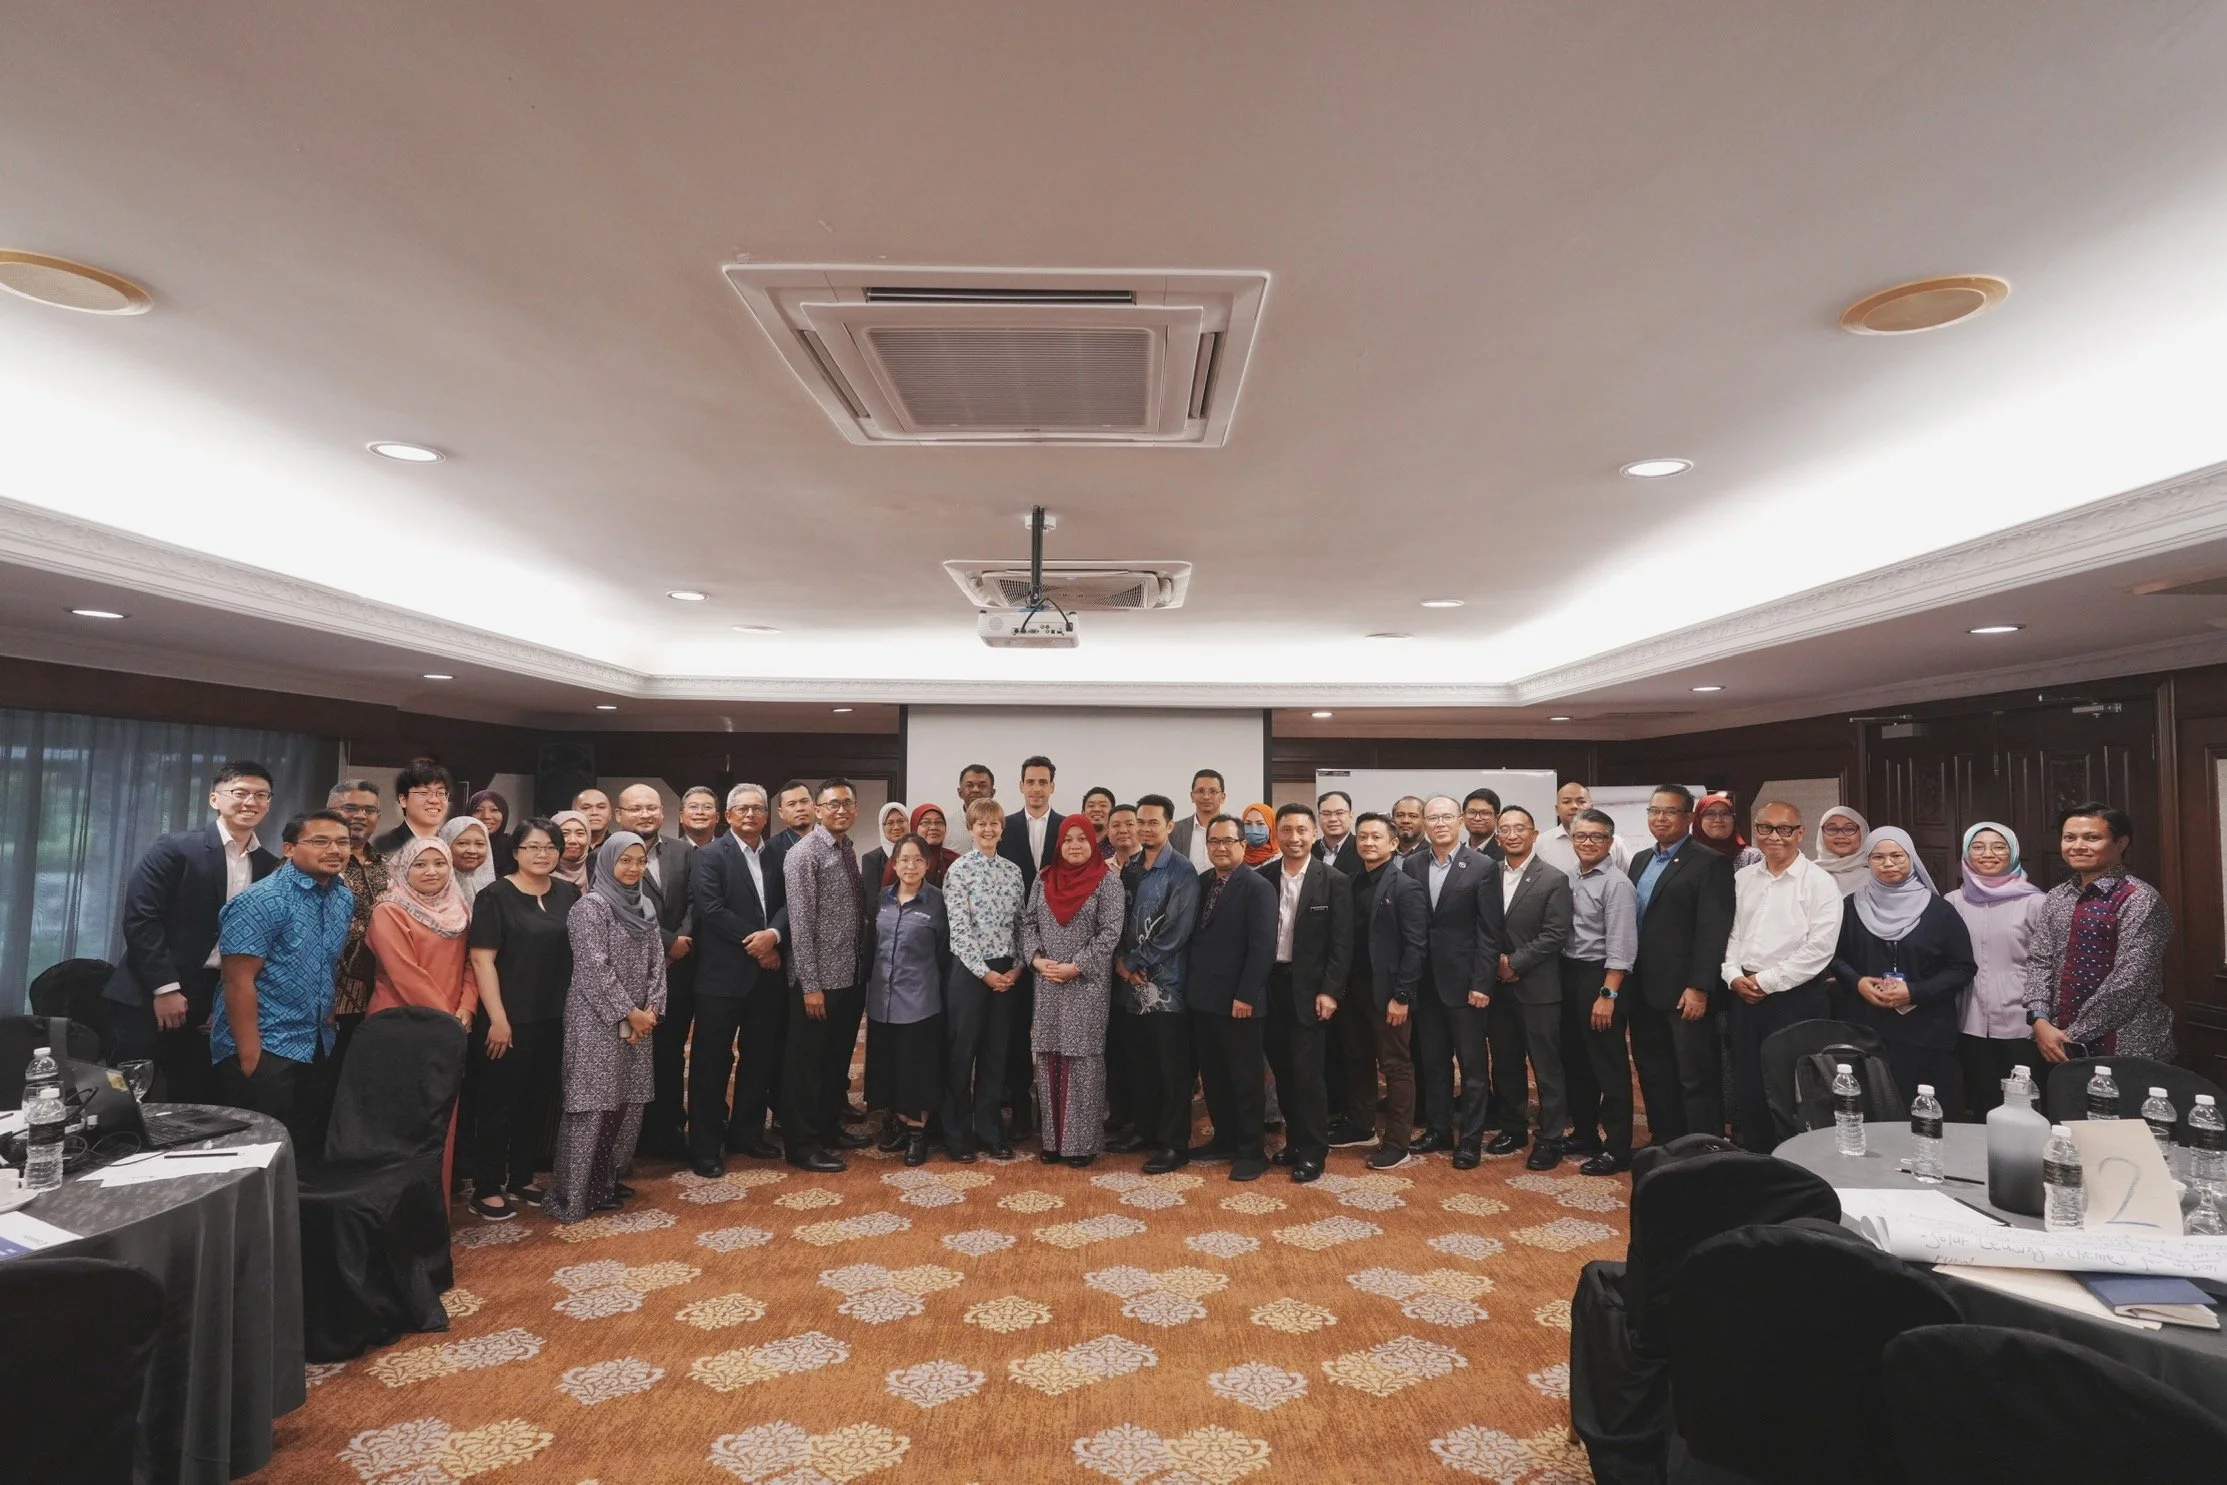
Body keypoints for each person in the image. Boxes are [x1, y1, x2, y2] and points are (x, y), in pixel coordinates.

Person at [105, 760, 281, 1104]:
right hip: (148, 991)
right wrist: (165, 989)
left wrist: (226, 1000)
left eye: (261, 795)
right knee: (127, 1097)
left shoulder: (268, 865)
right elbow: (142, 918)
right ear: (215, 799)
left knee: (194, 1099)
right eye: (240, 793)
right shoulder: (176, 848)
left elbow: (257, 940)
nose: (251, 802)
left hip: (211, 994)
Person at [210, 810, 355, 1156]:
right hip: (266, 1044)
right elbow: (236, 981)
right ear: (289, 848)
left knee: (303, 1148)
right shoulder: (261, 900)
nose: (333, 849)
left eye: (342, 842)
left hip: (316, 1041)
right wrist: (250, 1057)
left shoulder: (342, 897)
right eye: (320, 841)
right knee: (257, 1153)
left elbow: (325, 963)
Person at [545, 833, 666, 1223]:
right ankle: (574, 1194)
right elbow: (593, 970)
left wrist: (651, 1009)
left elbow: (657, 965)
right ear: (607, 862)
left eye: (640, 861)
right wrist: (628, 1013)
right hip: (596, 1019)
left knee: (627, 1103)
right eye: (624, 861)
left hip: (639, 1022)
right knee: (592, 1104)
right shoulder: (590, 909)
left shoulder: (645, 906)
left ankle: (607, 1180)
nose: (633, 869)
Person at [466, 817, 579, 1219]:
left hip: (554, 1016)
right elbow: (482, 960)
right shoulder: (495, 895)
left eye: (550, 847)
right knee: (499, 1102)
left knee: (537, 1099)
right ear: (515, 852)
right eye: (532, 847)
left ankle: (522, 1177)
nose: (542, 854)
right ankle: (486, 1185)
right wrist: (497, 1018)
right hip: (508, 1018)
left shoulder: (569, 892)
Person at [1719, 802, 1842, 1150]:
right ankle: (1756, 1154)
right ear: (1755, 831)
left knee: (1793, 1084)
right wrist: (1732, 975)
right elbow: (1733, 934)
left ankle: (1795, 1161)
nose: (1774, 837)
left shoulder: (1819, 882)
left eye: (1784, 829)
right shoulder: (1743, 878)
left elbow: (1820, 949)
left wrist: (1766, 981)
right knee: (1750, 1082)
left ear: (1800, 833)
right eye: (1765, 828)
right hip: (1744, 993)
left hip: (1795, 999)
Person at [366, 836, 479, 1196]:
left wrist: (468, 1006)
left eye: (440, 863)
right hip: (400, 1026)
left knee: (440, 1121)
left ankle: (433, 1216)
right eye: (420, 864)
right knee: (400, 1123)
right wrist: (448, 1019)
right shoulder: (389, 910)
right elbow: (404, 972)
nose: (431, 872)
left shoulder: (459, 908)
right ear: (404, 868)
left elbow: (472, 965)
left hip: (450, 1028)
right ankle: (392, 1222)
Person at [1835, 826, 1977, 1107]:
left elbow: (1962, 967)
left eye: (1897, 856)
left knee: (1926, 1116)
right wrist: (1857, 982)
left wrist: (1914, 992)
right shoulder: (1850, 908)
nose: (1889, 864)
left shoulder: (1939, 911)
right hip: (1867, 1030)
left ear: (1911, 858)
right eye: (1878, 857)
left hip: (1927, 1032)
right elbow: (1835, 958)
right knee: (1875, 1113)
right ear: (1867, 861)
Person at [687, 784, 789, 1172]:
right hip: (721, 976)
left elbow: (785, 904)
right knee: (711, 1062)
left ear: (767, 815)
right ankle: (705, 1146)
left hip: (767, 975)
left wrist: (774, 936)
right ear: (727, 816)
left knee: (759, 1057)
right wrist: (759, 944)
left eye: (757, 809)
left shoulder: (778, 855)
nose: (750, 815)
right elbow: (711, 909)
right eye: (741, 809)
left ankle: (747, 1133)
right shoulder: (711, 855)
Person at [1625, 785, 1735, 1143]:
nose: (1659, 818)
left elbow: (1712, 930)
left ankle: (1703, 1146)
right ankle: (1664, 1141)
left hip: (1685, 990)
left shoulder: (1709, 862)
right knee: (1653, 1070)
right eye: (1654, 811)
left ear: (1688, 818)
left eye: (1669, 811)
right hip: (1643, 987)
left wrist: (1700, 986)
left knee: (1694, 1075)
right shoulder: (1640, 859)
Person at [2024, 803, 2175, 1065]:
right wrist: (2038, 1019)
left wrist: (2070, 1035)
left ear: (2121, 843)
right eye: (2069, 838)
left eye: (2092, 838)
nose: (2078, 846)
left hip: (2126, 1042)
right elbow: (2039, 960)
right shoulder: (2058, 896)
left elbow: (2130, 981)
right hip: (2055, 1041)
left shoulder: (2140, 899)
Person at [1021, 817, 1126, 1166]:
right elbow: (1029, 922)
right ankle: (1052, 1141)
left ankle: (1080, 1144)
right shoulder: (1044, 878)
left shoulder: (1106, 884)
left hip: (1086, 985)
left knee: (1082, 1060)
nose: (1076, 845)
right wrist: (1036, 960)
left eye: (1083, 839)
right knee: (1049, 1057)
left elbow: (1109, 934)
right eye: (1069, 840)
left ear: (1094, 844)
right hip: (1048, 981)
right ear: (1059, 844)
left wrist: (1076, 966)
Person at [1402, 795, 1501, 1167]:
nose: (1439, 823)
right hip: (1425, 984)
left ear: (1459, 820)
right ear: (1424, 823)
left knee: (1473, 1067)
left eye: (1446, 816)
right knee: (1434, 1062)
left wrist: (1482, 982)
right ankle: (1438, 1129)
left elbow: (1490, 931)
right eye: (1433, 817)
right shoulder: (1411, 865)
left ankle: (1470, 1139)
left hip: (1466, 984)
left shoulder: (1483, 866)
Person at [779, 778, 873, 1172]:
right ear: (818, 810)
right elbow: (800, 924)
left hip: (848, 976)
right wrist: (811, 985)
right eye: (832, 804)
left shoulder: (847, 849)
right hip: (816, 983)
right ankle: (801, 1145)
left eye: (847, 804)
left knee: (835, 1063)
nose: (840, 810)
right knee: (806, 1067)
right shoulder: (804, 854)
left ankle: (827, 1129)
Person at [1258, 803, 1352, 1182]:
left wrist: (1331, 991)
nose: (1294, 838)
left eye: (1301, 830)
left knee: (1307, 1073)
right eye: (1286, 830)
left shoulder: (1333, 880)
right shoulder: (1263, 876)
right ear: (1276, 834)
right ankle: (1294, 1141)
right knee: (1281, 1070)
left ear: (1313, 834)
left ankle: (1314, 1151)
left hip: (1310, 990)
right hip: (1271, 985)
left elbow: (1341, 944)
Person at [1332, 813, 1428, 1168]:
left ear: (1392, 843)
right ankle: (1361, 1126)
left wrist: (1402, 995)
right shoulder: (1350, 882)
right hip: (1352, 989)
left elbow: (1416, 947)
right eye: (1363, 837)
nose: (1368, 842)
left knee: (1396, 1065)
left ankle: (1398, 1142)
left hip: (1388, 993)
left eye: (1376, 837)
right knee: (1357, 1059)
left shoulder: (1406, 887)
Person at [1187, 816, 1278, 1181]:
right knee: (1214, 1076)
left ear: (1243, 845)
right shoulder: (1202, 881)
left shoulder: (1257, 887)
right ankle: (1224, 1139)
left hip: (1240, 1002)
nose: (1220, 848)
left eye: (1228, 841)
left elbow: (1262, 948)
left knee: (1245, 1078)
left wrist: (1246, 996)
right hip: (1203, 1000)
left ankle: (1252, 1151)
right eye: (1214, 841)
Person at [1115, 795, 1201, 1174]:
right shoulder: (1130, 867)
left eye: (1153, 822)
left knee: (1172, 1069)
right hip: (1130, 988)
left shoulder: (1182, 871)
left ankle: (1173, 1144)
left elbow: (1176, 931)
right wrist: (1121, 963)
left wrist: (1134, 962)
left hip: (1168, 988)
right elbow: (1116, 919)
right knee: (1140, 1063)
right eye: (1140, 822)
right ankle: (1145, 1130)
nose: (1145, 828)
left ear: (1170, 826)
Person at [1485, 806, 1573, 1168]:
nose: (1512, 835)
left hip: (1538, 988)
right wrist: (1494, 964)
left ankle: (1551, 1138)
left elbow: (1556, 934)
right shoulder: (1487, 874)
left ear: (1534, 834)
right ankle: (1513, 1127)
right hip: (1495, 987)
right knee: (1505, 1062)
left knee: (1546, 1066)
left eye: (1519, 828)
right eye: (1504, 829)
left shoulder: (1553, 878)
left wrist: (1514, 963)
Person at [942, 797, 1026, 1162]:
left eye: (995, 824)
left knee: (996, 1055)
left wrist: (1018, 966)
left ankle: (990, 1131)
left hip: (1007, 971)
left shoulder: (1013, 871)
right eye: (981, 824)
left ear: (1002, 829)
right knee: (962, 1055)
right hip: (970, 971)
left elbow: (1023, 925)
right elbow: (958, 931)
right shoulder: (959, 870)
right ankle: (957, 1134)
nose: (989, 829)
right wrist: (985, 973)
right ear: (971, 828)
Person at [616, 784, 697, 1158]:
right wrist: (668, 941)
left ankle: (667, 1131)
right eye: (636, 809)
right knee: (630, 1052)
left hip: (679, 971)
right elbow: (619, 907)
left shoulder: (682, 851)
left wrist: (683, 939)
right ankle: (630, 1139)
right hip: (629, 974)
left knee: (669, 1052)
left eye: (652, 807)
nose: (645, 814)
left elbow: (698, 900)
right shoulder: (605, 855)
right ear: (620, 815)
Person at [1559, 809, 1639, 1175]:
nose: (1587, 843)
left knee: (1608, 1066)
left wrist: (1608, 995)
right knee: (1577, 1063)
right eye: (1581, 836)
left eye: (1596, 837)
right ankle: (1585, 1132)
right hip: (1570, 974)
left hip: (1601, 978)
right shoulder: (1573, 877)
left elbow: (1622, 946)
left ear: (1609, 841)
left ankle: (1618, 1148)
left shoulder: (1617, 883)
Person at [1947, 821, 2045, 1116]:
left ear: (2013, 853)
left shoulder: (2035, 902)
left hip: (2023, 1023)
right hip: (1969, 1019)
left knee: (2026, 1108)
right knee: (1980, 1104)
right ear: (1966, 854)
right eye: (1977, 847)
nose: (1987, 853)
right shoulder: (1953, 902)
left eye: (1998, 846)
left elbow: (2051, 964)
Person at [866, 835, 951, 1166]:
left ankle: (919, 1134)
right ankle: (900, 1126)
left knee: (916, 1069)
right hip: (882, 999)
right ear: (894, 864)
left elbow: (945, 952)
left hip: (920, 1001)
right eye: (904, 860)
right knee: (889, 1066)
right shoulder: (882, 900)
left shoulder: (938, 902)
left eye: (918, 860)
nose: (911, 866)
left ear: (927, 864)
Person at [998, 757, 1063, 1135]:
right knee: (1015, 1026)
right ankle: (1020, 1102)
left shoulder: (1067, 828)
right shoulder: (1003, 827)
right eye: (1030, 782)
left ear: (1053, 786)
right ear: (1020, 786)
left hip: (1057, 944)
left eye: (1043, 782)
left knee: (1055, 1028)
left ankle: (1055, 1105)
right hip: (1012, 942)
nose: (1036, 788)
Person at [327, 778, 390, 1067]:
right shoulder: (314, 862)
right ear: (330, 809)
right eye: (351, 807)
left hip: (380, 994)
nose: (360, 816)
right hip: (327, 996)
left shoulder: (388, 865)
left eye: (370, 810)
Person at [1537, 782, 1629, 876]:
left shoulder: (1614, 842)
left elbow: (1627, 876)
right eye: (1566, 802)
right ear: (1557, 809)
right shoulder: (1541, 843)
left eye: (1581, 801)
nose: (1574, 806)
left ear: (1591, 807)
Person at [372, 758, 453, 858]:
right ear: (403, 800)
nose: (434, 800)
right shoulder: (383, 846)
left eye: (441, 793)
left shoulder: (450, 843)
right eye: (424, 793)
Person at [1168, 769, 1229, 867]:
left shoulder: (1233, 830)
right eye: (1200, 791)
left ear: (1223, 797)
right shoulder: (1175, 830)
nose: (1206, 797)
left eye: (1213, 791)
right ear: (1192, 796)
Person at [1813, 806, 1872, 896]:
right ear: (1821, 834)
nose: (1840, 836)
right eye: (1832, 829)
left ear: (1863, 833)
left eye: (1849, 829)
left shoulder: (1877, 877)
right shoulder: (1808, 874)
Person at [1695, 793, 1762, 869]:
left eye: (1725, 813)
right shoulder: (1685, 858)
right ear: (1698, 820)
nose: (1718, 820)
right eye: (1710, 814)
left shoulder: (1752, 858)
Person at [438, 816, 496, 903]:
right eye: (463, 843)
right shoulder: (430, 887)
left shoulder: (496, 889)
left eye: (479, 844)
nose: (472, 851)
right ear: (446, 845)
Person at [467, 788, 517, 876]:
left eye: (494, 810)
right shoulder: (459, 846)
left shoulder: (513, 847)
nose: (486, 816)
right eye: (478, 810)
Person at [861, 802, 910, 891]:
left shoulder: (919, 854)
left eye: (901, 821)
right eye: (890, 823)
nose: (896, 827)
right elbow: (872, 900)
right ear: (882, 827)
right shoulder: (871, 859)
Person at [909, 803, 959, 886]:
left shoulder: (954, 861)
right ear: (914, 827)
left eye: (939, 822)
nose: (933, 827)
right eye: (926, 822)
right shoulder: (903, 860)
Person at [1314, 790, 1361, 874]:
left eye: (1339, 813)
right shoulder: (1310, 851)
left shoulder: (1362, 848)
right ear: (1318, 818)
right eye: (1326, 814)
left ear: (1351, 816)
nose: (1333, 819)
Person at [771, 780, 816, 849]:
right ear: (781, 812)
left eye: (804, 801)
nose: (800, 808)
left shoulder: (831, 842)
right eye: (791, 804)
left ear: (814, 805)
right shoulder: (769, 849)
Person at [1463, 788, 1505, 861]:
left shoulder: (1505, 853)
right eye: (1472, 812)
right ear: (1463, 816)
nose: (1477, 818)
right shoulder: (1455, 852)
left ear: (1497, 818)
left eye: (1485, 813)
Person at [571, 788, 613, 852]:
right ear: (574, 812)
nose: (594, 812)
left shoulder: (619, 846)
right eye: (586, 808)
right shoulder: (564, 846)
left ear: (610, 813)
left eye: (601, 807)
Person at [1237, 803, 1278, 870]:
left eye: (1260, 824)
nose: (1254, 830)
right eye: (1248, 823)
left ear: (1272, 827)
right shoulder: (1235, 859)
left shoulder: (1281, 862)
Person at [1105, 803, 1141, 871]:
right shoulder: (1101, 869)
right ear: (1108, 832)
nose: (1123, 830)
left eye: (1129, 824)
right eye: (1116, 825)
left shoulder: (1156, 866)